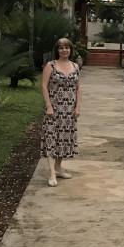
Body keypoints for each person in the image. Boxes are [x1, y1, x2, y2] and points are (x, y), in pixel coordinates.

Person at [41, 38, 81, 187]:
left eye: (67, 47)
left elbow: (78, 87)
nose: (64, 50)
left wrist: (77, 107)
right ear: (57, 50)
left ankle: (58, 167)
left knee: (64, 139)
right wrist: (49, 106)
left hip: (69, 110)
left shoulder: (75, 66)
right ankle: (52, 173)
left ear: (70, 49)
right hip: (54, 108)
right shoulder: (50, 65)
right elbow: (44, 86)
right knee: (52, 138)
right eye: (61, 48)